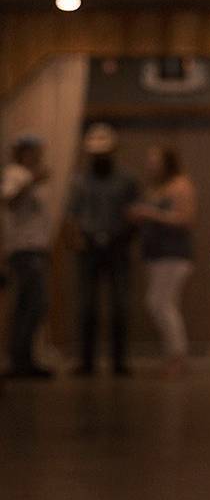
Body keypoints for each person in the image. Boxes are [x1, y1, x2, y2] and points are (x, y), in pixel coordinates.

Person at [68, 123, 139, 376]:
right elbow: (73, 215)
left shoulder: (127, 179)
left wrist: (128, 238)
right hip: (88, 247)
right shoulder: (79, 181)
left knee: (120, 306)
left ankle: (119, 361)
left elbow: (134, 212)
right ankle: (86, 361)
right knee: (87, 306)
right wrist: (76, 238)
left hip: (117, 245)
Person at [129, 146, 197, 375]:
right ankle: (173, 354)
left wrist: (150, 214)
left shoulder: (180, 185)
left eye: (155, 161)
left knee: (162, 304)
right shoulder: (156, 187)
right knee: (159, 303)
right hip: (156, 253)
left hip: (174, 254)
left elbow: (186, 218)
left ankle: (178, 356)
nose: (150, 165)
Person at [1, 136, 52, 379]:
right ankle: (18, 360)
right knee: (29, 305)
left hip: (36, 247)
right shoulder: (16, 173)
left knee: (34, 306)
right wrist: (31, 181)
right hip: (24, 249)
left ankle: (25, 358)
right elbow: (8, 199)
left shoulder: (28, 175)